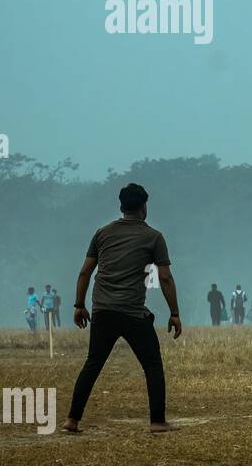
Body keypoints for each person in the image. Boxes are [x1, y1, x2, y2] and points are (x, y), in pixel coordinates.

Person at [64, 183, 181, 434]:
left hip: (103, 310)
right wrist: (174, 313)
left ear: (121, 207)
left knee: (93, 363)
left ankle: (72, 420)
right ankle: (157, 422)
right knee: (152, 364)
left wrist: (79, 305)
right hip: (131, 312)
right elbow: (166, 278)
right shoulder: (153, 237)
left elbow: (85, 271)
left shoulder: (102, 233)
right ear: (144, 207)